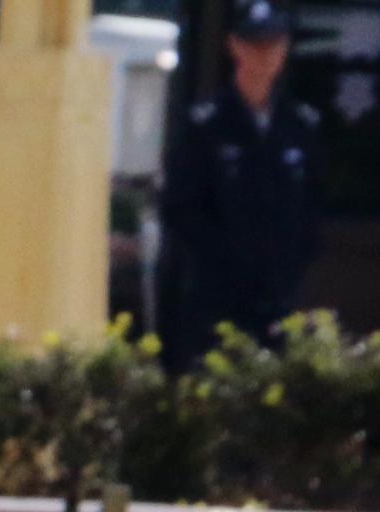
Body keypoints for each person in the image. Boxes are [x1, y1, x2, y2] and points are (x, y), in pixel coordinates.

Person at [154, 0, 322, 364]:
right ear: (235, 47)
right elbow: (180, 209)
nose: (264, 55)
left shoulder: (299, 126)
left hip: (278, 300)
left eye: (273, 44)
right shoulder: (206, 126)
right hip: (215, 303)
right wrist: (225, 259)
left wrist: (289, 266)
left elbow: (311, 210)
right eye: (254, 44)